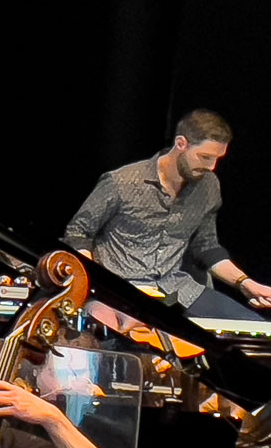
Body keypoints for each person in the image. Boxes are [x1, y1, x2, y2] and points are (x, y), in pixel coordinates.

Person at [65, 109, 271, 319]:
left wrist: (245, 283)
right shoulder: (122, 182)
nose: (211, 167)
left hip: (176, 287)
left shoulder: (208, 186)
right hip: (121, 287)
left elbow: (206, 247)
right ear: (181, 143)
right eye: (205, 157)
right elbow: (78, 233)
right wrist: (96, 282)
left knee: (257, 329)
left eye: (218, 159)